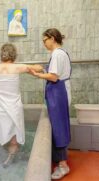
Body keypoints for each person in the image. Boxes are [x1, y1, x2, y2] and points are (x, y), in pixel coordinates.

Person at [0, 43, 42, 167]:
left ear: (2, 55)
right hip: (13, 107)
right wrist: (37, 68)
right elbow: (38, 68)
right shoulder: (17, 67)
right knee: (14, 135)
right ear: (14, 55)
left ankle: (6, 154)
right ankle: (11, 156)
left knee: (4, 132)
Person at [29, 28, 72, 179]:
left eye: (45, 40)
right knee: (57, 126)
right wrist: (43, 69)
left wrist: (37, 74)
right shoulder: (60, 54)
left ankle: (63, 166)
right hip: (59, 93)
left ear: (52, 38)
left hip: (59, 93)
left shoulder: (57, 54)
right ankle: (59, 159)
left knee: (59, 128)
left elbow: (53, 77)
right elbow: (55, 73)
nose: (44, 43)